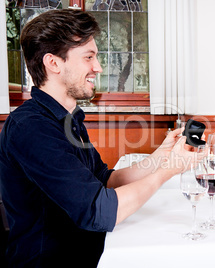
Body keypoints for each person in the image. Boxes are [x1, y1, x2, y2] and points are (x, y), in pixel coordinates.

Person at [0, 9, 194, 267]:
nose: (98, 67)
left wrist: (161, 156)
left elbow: (105, 180)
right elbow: (99, 211)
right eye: (88, 57)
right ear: (53, 63)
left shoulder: (69, 118)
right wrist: (169, 171)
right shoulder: (32, 128)